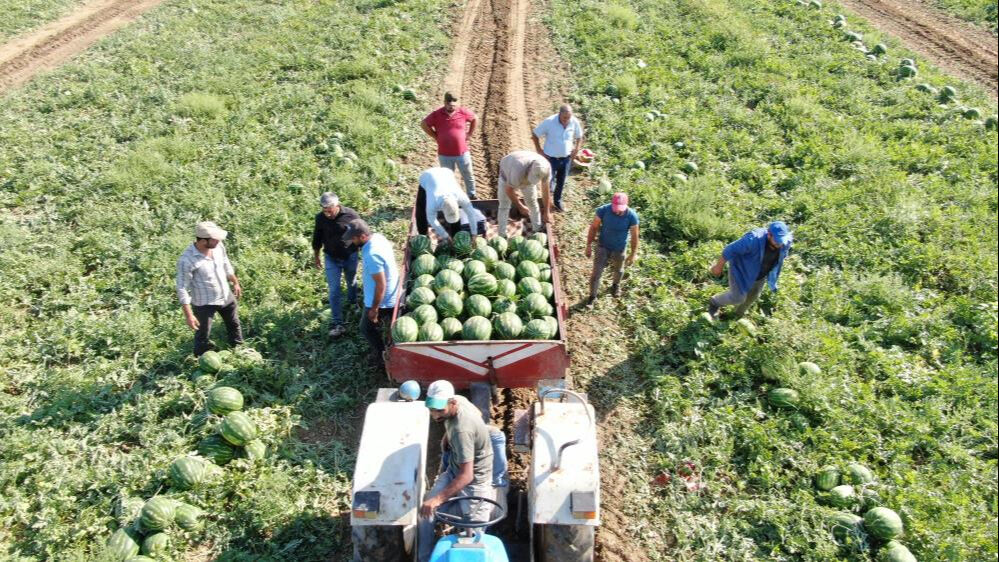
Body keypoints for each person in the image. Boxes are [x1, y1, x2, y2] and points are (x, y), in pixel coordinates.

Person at [418, 380, 502, 562]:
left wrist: (437, 499)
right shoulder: (460, 401)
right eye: (432, 409)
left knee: (474, 532)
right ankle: (424, 557)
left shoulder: (461, 431)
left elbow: (467, 475)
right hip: (454, 471)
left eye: (440, 410)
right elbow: (478, 413)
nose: (435, 415)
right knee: (424, 513)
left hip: (475, 482)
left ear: (452, 403)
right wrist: (447, 436)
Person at [176, 221, 244, 356]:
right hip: (204, 303)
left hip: (225, 296)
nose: (219, 241)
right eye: (215, 239)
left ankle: (239, 351)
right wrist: (189, 315)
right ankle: (201, 359)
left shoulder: (218, 247)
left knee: (234, 325)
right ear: (202, 240)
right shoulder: (187, 260)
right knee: (202, 335)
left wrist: (235, 283)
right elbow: (182, 288)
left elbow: (226, 265)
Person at [343, 218, 400, 371]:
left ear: (362, 236)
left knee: (366, 328)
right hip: (389, 293)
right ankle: (387, 349)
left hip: (384, 300)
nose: (352, 242)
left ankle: (384, 356)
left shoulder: (372, 253)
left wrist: (374, 308)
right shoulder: (379, 238)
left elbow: (381, 285)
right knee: (384, 328)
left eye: (353, 238)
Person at [708, 221, 793, 319]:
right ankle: (714, 302)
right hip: (740, 270)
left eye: (782, 241)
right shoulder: (753, 240)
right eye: (778, 241)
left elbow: (783, 253)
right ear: (769, 235)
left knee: (752, 297)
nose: (781, 244)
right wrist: (718, 267)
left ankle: (736, 315)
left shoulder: (785, 241)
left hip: (760, 275)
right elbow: (729, 250)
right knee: (738, 297)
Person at [311, 192, 360, 338]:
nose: (327, 214)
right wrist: (316, 256)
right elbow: (317, 238)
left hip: (350, 256)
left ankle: (353, 301)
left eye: (329, 210)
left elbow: (361, 232)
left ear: (336, 205)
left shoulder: (350, 215)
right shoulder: (320, 218)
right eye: (324, 210)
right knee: (334, 290)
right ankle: (337, 322)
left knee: (351, 281)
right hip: (331, 258)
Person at [585, 193, 639, 304]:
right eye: (615, 209)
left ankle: (615, 285)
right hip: (603, 246)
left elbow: (635, 236)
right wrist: (588, 245)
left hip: (619, 248)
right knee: (596, 274)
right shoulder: (603, 210)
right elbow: (594, 227)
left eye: (620, 209)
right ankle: (592, 297)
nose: (617, 211)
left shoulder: (632, 216)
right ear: (611, 204)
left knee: (619, 270)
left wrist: (633, 253)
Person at [422, 92, 477, 199]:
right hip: (445, 154)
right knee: (447, 177)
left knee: (468, 174)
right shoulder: (437, 114)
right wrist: (434, 136)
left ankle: (472, 195)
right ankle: (451, 197)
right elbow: (423, 124)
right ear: (444, 103)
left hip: (462, 152)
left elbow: (475, 119)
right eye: (449, 104)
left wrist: (469, 134)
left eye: (453, 105)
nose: (451, 107)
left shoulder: (463, 112)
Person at [531, 103, 584, 212]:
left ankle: (557, 201)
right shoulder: (550, 122)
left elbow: (579, 136)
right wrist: (539, 150)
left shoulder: (573, 121)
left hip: (566, 159)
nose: (566, 120)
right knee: (548, 182)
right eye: (564, 118)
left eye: (568, 118)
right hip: (551, 159)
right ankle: (546, 203)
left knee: (561, 181)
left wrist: (577, 148)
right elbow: (535, 134)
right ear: (559, 114)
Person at [495, 150, 552, 238]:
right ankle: (502, 235)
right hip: (507, 170)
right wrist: (520, 206)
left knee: (532, 202)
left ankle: (537, 230)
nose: (530, 181)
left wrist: (547, 212)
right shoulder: (517, 170)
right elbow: (509, 190)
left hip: (523, 169)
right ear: (530, 170)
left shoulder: (546, 168)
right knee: (504, 205)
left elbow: (545, 190)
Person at [416, 167, 480, 242]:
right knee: (421, 210)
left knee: (454, 217)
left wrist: (474, 234)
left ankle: (456, 236)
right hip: (427, 177)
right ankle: (423, 235)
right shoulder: (432, 202)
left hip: (446, 174)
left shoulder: (461, 197)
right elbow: (432, 220)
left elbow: (471, 214)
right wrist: (445, 236)